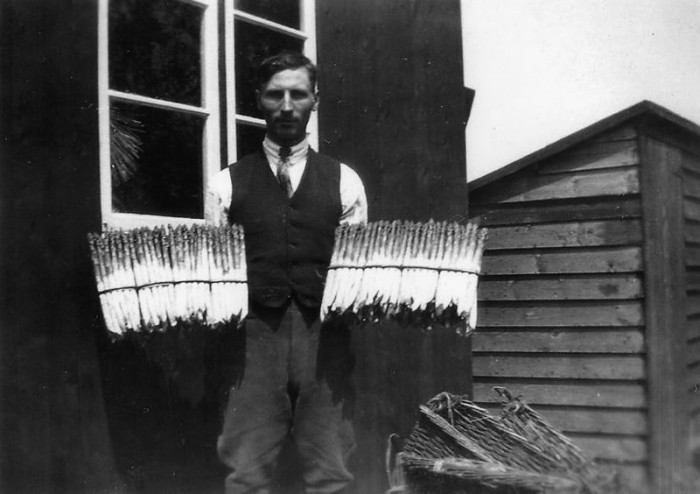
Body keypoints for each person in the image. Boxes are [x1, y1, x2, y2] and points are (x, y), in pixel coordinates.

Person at [206, 51, 367, 494]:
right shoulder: (226, 184)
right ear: (259, 99)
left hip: (325, 338)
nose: (286, 105)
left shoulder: (344, 182)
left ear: (315, 99)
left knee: (331, 470)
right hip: (253, 339)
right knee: (246, 472)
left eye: (298, 93)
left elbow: (355, 269)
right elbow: (217, 273)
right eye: (275, 94)